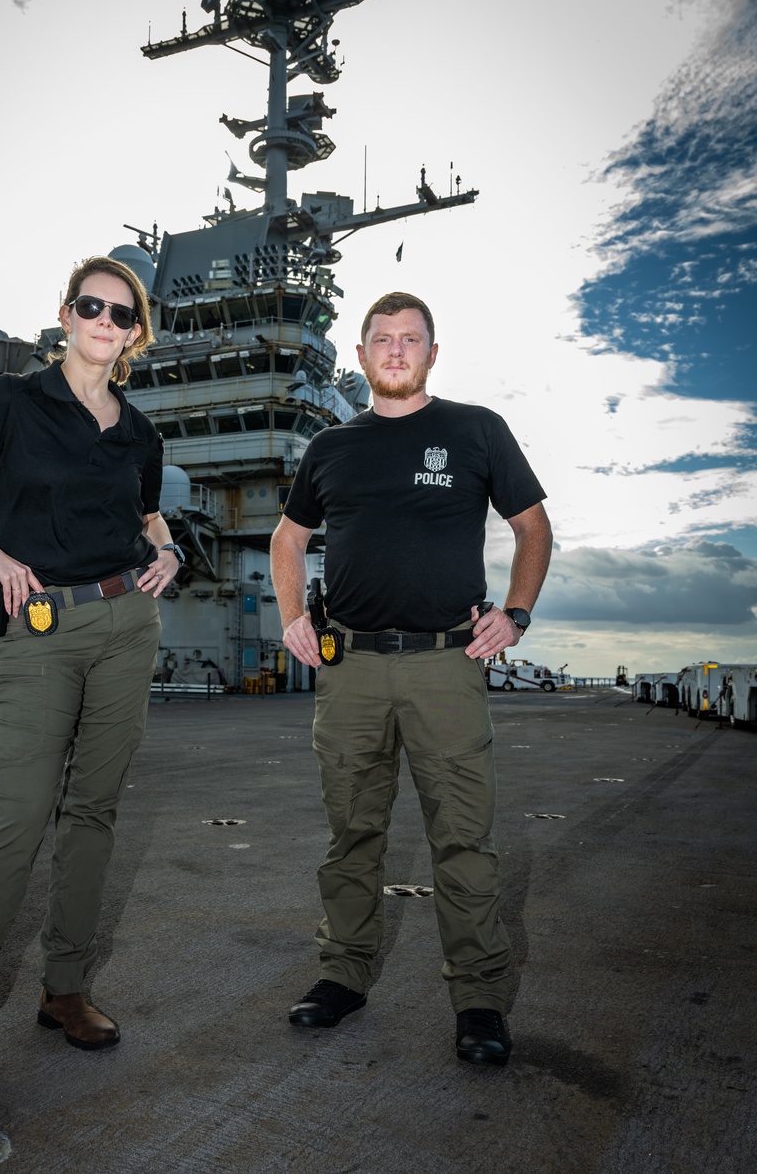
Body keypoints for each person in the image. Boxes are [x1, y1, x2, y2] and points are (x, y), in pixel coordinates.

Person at [0, 254, 183, 1116]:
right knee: (18, 820)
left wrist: (168, 548)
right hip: (36, 631)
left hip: (125, 625)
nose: (106, 321)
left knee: (94, 813)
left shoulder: (138, 430)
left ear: (136, 333)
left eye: (122, 313)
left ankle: (64, 989)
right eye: (91, 306)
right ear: (66, 315)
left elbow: (143, 510)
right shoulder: (12, 406)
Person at [270, 290, 551, 1066]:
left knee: (463, 838)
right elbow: (287, 539)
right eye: (382, 339)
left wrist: (517, 614)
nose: (396, 350)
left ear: (432, 353)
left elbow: (532, 526)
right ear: (360, 356)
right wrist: (293, 613)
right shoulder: (330, 446)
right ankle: (343, 974)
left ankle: (480, 997)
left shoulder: (476, 430)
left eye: (411, 339)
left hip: (445, 667)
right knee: (352, 834)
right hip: (350, 670)